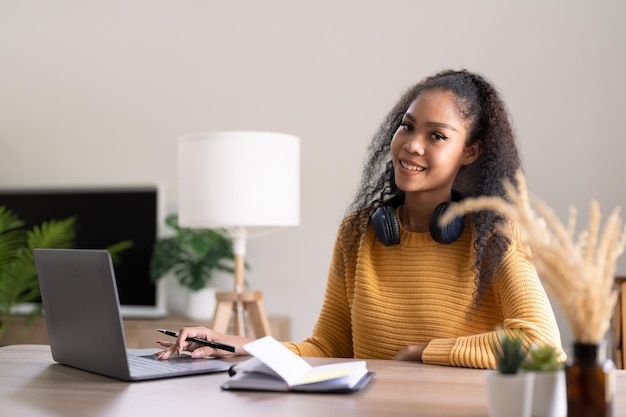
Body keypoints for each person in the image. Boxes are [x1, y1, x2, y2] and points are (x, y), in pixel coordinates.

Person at [156, 69, 564, 368]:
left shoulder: (494, 233)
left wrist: (424, 352)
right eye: (407, 127)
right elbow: (329, 346)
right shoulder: (358, 232)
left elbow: (541, 344)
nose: (411, 146)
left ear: (470, 152)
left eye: (436, 136)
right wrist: (236, 344)